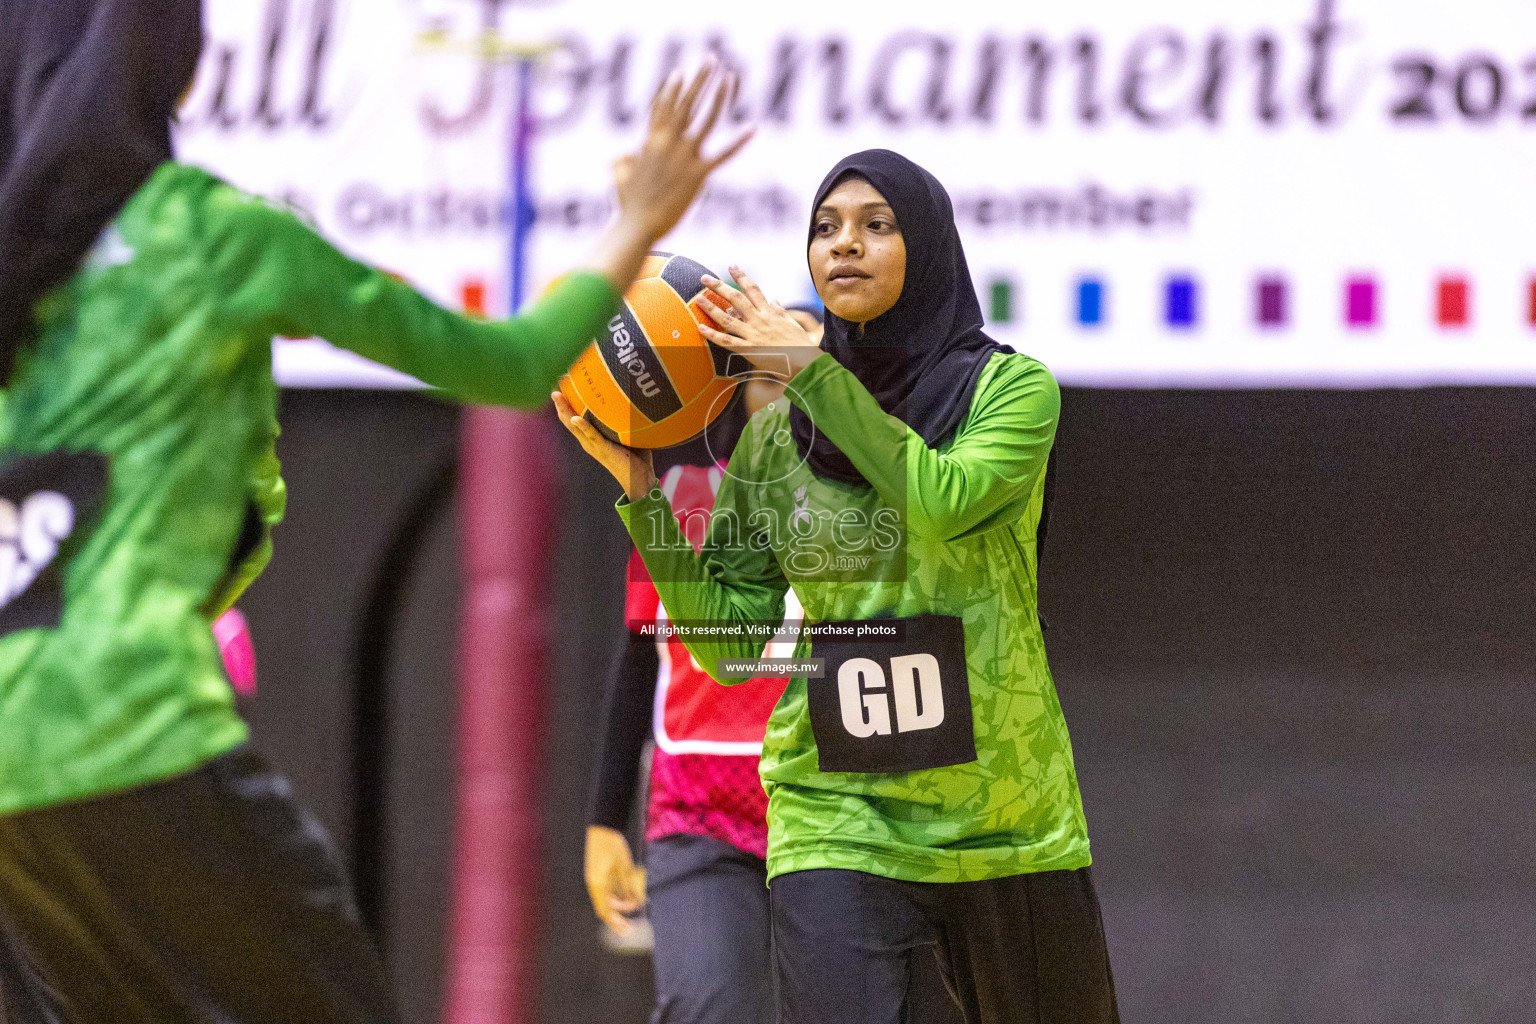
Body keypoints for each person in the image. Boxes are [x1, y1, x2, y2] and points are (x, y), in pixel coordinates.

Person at [0, 0, 751, 1015]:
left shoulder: (24, 272)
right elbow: (512, 363)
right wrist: (638, 223)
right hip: (133, 727)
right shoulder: (211, 234)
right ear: (175, 68)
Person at [557, 150, 1118, 1024]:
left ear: (927, 246)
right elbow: (736, 644)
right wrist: (639, 492)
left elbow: (941, 500)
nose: (844, 244)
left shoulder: (1011, 391)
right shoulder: (776, 445)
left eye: (875, 225)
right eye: (826, 228)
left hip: (1006, 817)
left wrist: (817, 374)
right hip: (836, 811)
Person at [582, 320, 814, 1024]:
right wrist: (603, 821)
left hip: (836, 809)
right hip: (700, 811)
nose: (779, 399)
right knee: (711, 1010)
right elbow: (637, 660)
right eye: (766, 380)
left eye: (801, 376)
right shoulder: (682, 496)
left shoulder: (876, 503)